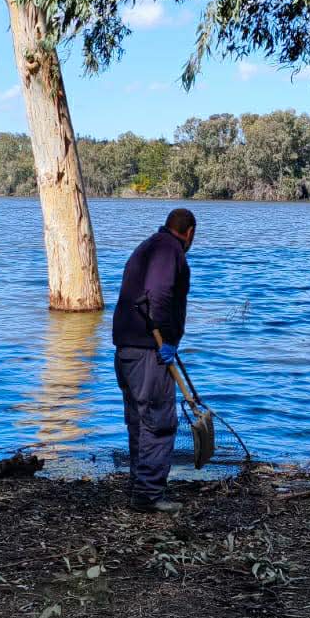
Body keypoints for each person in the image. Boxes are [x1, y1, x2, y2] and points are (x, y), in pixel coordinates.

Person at [110, 208, 195, 513]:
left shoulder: (146, 247)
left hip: (127, 348)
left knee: (139, 420)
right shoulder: (168, 249)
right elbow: (157, 293)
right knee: (158, 422)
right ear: (189, 233)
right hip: (148, 350)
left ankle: (139, 486)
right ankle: (148, 494)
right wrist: (168, 339)